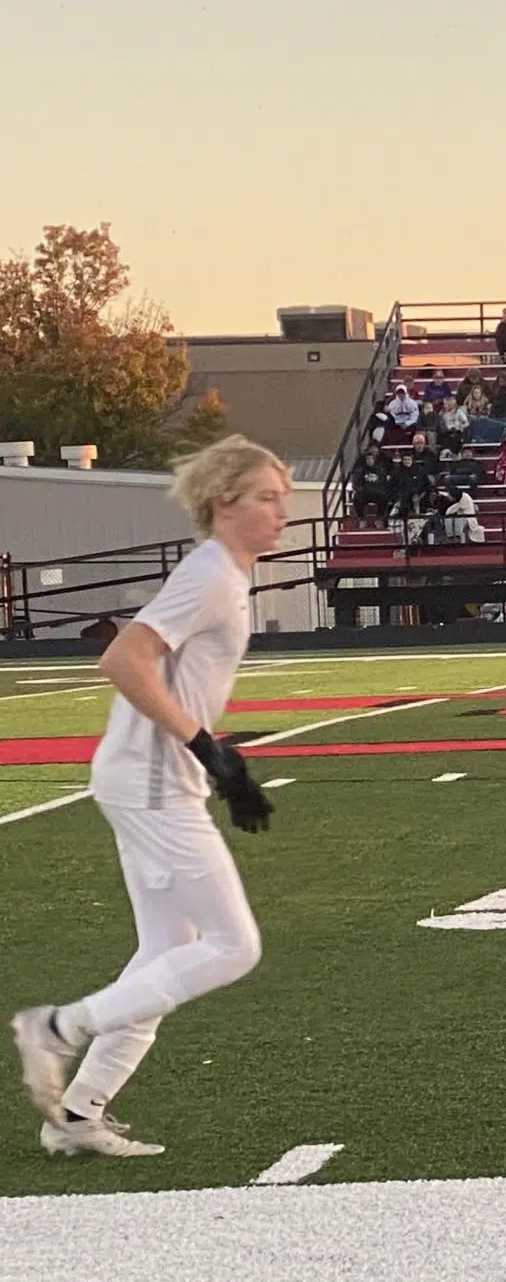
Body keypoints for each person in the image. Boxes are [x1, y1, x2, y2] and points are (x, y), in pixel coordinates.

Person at [12, 438, 283, 1158]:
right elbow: (122, 658)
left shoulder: (222, 575)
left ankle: (77, 1114)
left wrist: (216, 763)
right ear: (223, 503)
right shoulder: (212, 576)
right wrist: (208, 751)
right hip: (153, 778)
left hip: (150, 775)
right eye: (266, 497)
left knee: (169, 951)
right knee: (234, 947)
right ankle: (54, 1029)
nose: (280, 512)